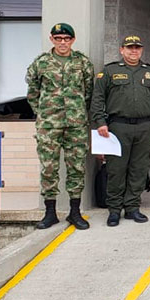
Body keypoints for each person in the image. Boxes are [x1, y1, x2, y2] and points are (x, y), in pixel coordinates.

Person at [91, 35, 150, 226]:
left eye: (137, 48)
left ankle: (132, 207)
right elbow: (98, 98)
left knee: (139, 169)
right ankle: (115, 210)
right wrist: (100, 122)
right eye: (129, 47)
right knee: (116, 169)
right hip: (117, 128)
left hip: (145, 127)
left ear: (141, 50)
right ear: (122, 50)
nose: (133, 51)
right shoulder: (110, 72)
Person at [25, 23, 93, 230]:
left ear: (72, 40)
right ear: (52, 39)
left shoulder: (82, 62)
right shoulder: (41, 63)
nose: (62, 42)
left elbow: (88, 92)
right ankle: (50, 212)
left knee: (77, 167)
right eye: (58, 38)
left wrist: (77, 111)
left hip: (76, 124)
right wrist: (44, 114)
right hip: (49, 125)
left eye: (66, 39)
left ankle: (74, 212)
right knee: (49, 168)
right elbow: (32, 92)